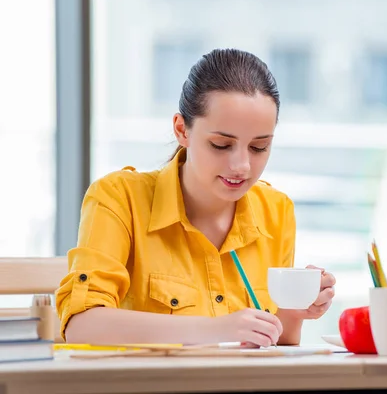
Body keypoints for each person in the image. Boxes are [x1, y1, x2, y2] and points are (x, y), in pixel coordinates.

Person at [55, 48, 336, 347]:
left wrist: (296, 312)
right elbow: (82, 324)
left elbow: (280, 343)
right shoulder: (118, 198)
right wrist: (218, 329)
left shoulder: (276, 210)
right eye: (221, 144)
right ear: (182, 130)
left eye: (258, 147)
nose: (241, 166)